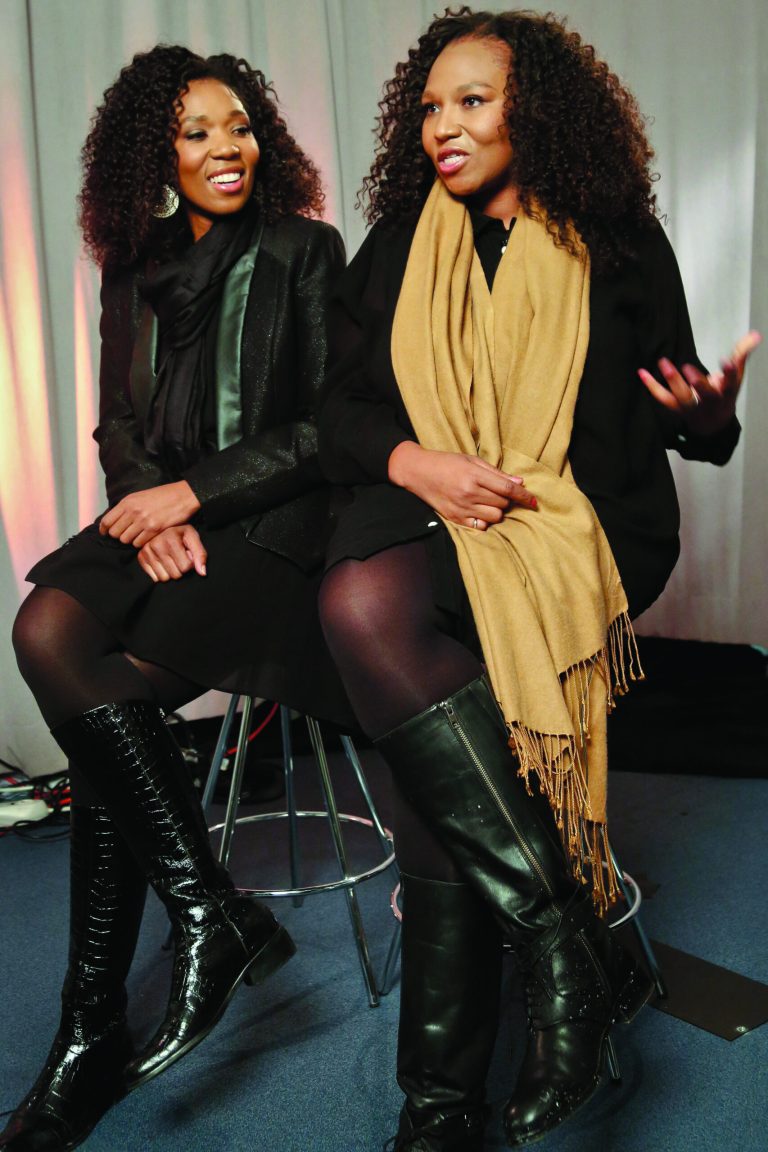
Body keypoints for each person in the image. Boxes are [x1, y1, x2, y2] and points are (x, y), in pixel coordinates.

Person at [317, 9, 760, 1151]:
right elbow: (342, 408)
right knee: (368, 611)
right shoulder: (406, 234)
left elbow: (687, 421)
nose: (442, 128)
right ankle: (561, 947)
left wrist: (714, 422)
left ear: (537, 109)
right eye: (429, 106)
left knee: (393, 673)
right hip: (435, 504)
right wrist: (416, 460)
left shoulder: (617, 239)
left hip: (581, 526)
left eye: (473, 101)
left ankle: (441, 1105)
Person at [5, 46, 348, 1152]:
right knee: (45, 627)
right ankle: (215, 913)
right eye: (197, 133)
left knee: (102, 707)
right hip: (163, 521)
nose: (225, 149)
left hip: (271, 532)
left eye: (239, 126)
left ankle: (88, 1029)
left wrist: (196, 498)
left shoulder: (307, 251)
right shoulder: (134, 267)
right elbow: (117, 426)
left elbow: (328, 430)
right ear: (157, 155)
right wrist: (151, 508)